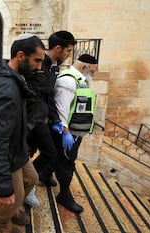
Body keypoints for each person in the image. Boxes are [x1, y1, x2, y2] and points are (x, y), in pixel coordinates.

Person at [0, 34, 44, 233]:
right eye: (37, 61)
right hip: (7, 153)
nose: (39, 67)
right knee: (15, 192)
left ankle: (13, 209)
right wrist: (4, 190)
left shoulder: (13, 77)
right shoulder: (6, 88)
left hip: (17, 146)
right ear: (21, 56)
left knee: (31, 178)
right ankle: (1, 221)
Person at [27, 30, 77, 188]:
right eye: (68, 50)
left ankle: (28, 180)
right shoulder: (41, 63)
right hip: (33, 116)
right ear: (57, 48)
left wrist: (56, 120)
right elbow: (41, 94)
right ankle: (26, 181)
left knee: (32, 151)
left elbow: (49, 95)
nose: (69, 54)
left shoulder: (55, 66)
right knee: (48, 152)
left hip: (43, 116)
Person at [52, 54, 98, 213]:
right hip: (67, 133)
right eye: (92, 71)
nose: (93, 74)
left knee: (54, 157)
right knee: (67, 164)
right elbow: (61, 110)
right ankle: (64, 195)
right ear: (84, 67)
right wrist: (65, 133)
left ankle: (43, 175)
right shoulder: (68, 81)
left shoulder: (80, 80)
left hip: (75, 133)